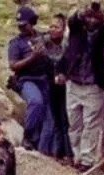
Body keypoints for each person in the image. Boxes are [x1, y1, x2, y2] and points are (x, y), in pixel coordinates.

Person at [59, 4, 104, 170]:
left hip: (93, 86)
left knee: (91, 125)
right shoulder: (76, 31)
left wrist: (102, 14)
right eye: (89, 16)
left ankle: (87, 160)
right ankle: (77, 156)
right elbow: (73, 19)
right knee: (74, 124)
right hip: (74, 84)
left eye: (95, 17)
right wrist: (83, 10)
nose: (91, 20)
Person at [9, 6, 53, 151]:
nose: (21, 29)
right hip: (27, 79)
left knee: (48, 119)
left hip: (45, 80)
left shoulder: (42, 37)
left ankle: (43, 151)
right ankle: (27, 136)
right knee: (36, 102)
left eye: (24, 25)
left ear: (32, 22)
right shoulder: (16, 43)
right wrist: (33, 57)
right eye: (19, 26)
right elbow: (13, 65)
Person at [40, 15, 74, 162]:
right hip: (51, 85)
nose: (52, 30)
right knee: (56, 119)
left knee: (66, 119)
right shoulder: (44, 42)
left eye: (56, 27)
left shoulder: (68, 44)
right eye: (51, 26)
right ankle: (57, 152)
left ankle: (69, 153)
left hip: (66, 85)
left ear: (64, 28)